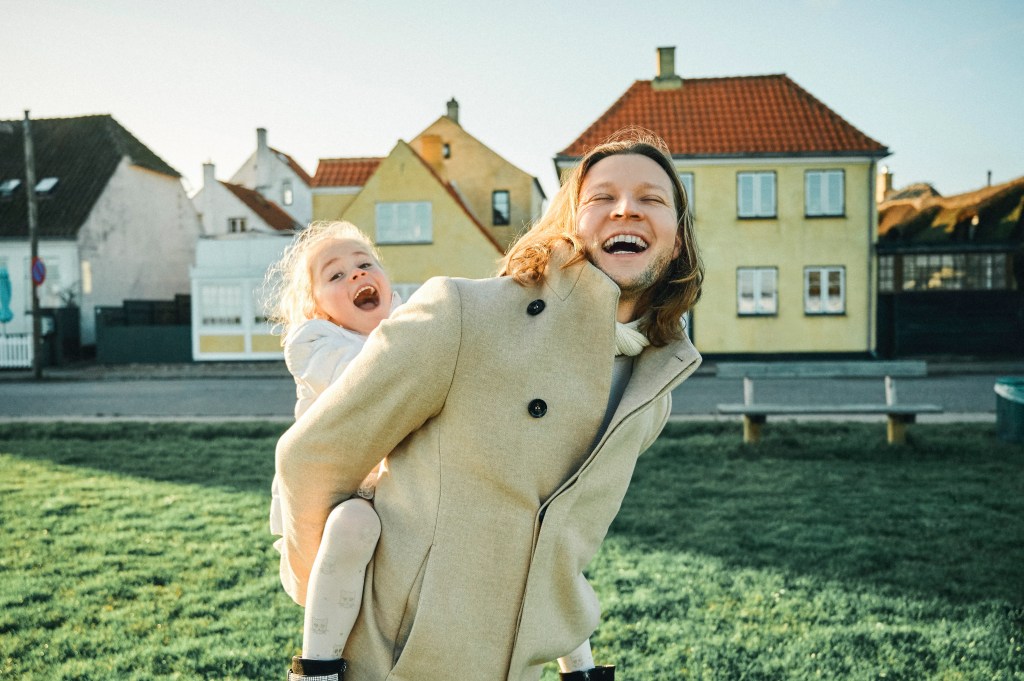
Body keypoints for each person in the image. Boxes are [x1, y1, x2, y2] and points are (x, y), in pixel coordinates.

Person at [275, 129, 704, 681]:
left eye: (651, 198)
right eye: (602, 197)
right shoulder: (462, 314)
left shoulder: (653, 387)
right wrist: (331, 597)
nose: (626, 209)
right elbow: (313, 456)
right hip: (395, 663)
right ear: (570, 224)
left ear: (677, 239)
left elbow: (560, 540)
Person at [265, 220, 400, 681]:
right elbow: (361, 378)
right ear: (315, 306)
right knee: (353, 525)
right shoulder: (314, 342)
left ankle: (575, 664)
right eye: (336, 275)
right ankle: (319, 668)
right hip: (334, 495)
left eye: (365, 264)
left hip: (396, 483)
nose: (356, 275)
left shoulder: (411, 322)